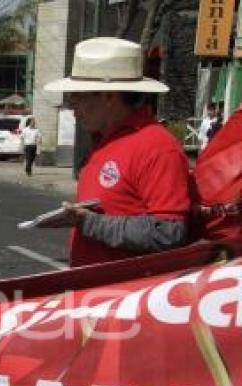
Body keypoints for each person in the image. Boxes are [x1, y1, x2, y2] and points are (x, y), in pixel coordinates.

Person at [43, 37, 191, 268]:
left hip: (129, 297)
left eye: (79, 95)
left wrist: (89, 223)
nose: (72, 105)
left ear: (109, 97)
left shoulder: (157, 146)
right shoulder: (105, 141)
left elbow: (169, 231)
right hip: (97, 293)